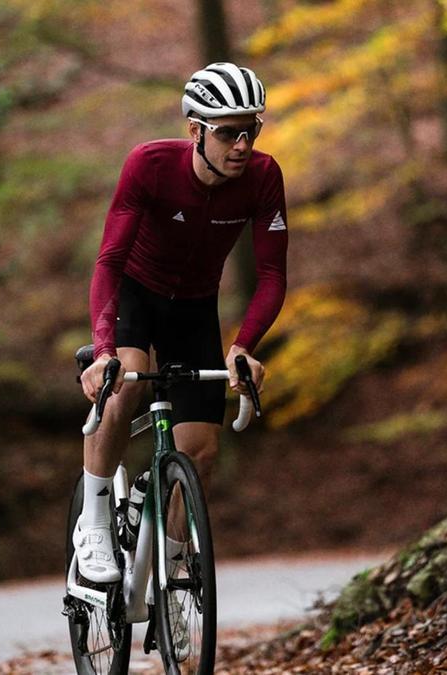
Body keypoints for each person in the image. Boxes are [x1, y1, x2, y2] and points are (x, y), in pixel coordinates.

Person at [74, 62, 289, 586]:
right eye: (228, 133)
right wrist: (103, 350)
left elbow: (271, 275)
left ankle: (171, 569)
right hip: (135, 294)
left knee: (202, 451)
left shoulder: (263, 177)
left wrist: (243, 346)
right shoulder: (149, 165)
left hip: (194, 308)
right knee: (126, 381)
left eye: (251, 130)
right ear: (196, 130)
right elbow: (109, 261)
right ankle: (95, 521)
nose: (242, 145)